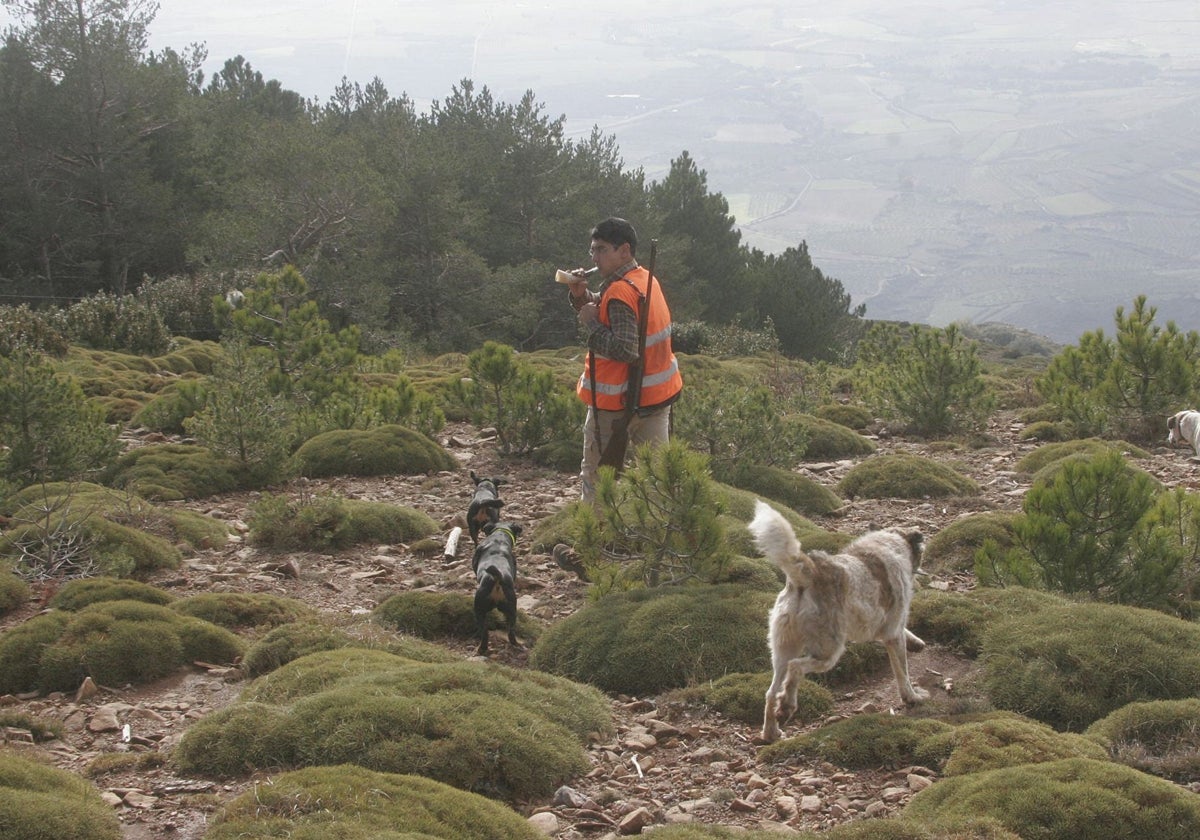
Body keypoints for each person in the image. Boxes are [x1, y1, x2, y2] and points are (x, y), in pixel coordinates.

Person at [563, 217, 683, 502]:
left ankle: (597, 542)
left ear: (624, 251)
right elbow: (611, 314)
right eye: (593, 250)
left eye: (602, 250)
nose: (594, 257)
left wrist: (590, 325)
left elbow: (626, 349)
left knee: (596, 477)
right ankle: (658, 537)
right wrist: (580, 297)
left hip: (616, 406)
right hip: (653, 400)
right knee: (658, 478)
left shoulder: (619, 291)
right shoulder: (644, 280)